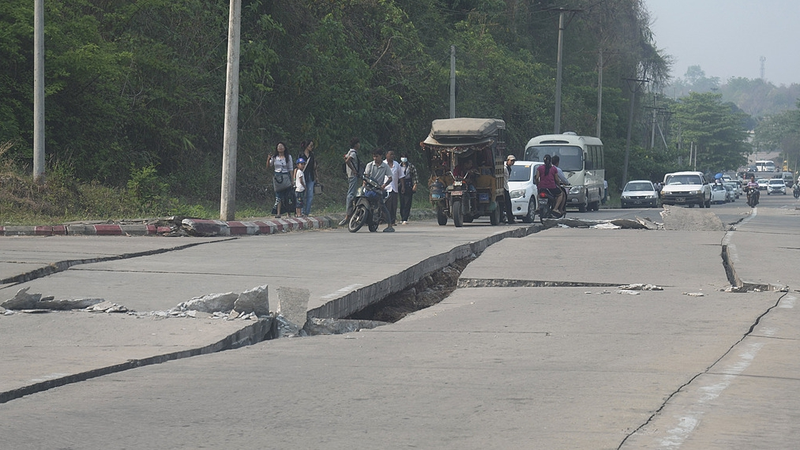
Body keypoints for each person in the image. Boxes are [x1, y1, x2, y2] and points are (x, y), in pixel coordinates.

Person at [363, 149, 395, 232]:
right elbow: (365, 176)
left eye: (376, 156)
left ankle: (390, 225)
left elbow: (390, 178)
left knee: (382, 206)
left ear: (381, 156)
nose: (375, 158)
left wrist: (384, 185)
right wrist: (364, 183)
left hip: (378, 189)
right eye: (374, 156)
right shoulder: (369, 165)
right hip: (368, 187)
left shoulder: (385, 166)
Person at [268, 142, 293, 219]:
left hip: (286, 175)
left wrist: (292, 180)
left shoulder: (288, 157)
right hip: (277, 176)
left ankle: (288, 213)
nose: (280, 148)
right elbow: (269, 165)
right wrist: (268, 158)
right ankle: (278, 213)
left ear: (284, 148)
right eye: (278, 146)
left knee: (287, 195)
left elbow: (291, 168)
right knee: (278, 196)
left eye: (282, 146)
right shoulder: (274, 157)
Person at [340, 138, 361, 226]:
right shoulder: (353, 153)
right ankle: (348, 214)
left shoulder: (349, 152)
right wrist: (354, 170)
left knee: (353, 193)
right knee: (351, 194)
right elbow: (347, 160)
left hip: (350, 175)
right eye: (358, 143)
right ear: (356, 144)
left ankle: (352, 212)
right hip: (353, 175)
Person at [300, 139, 319, 216]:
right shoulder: (301, 155)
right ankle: (301, 211)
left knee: (310, 195)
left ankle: (307, 212)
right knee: (302, 194)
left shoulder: (312, 155)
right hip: (302, 176)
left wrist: (317, 177)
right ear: (306, 146)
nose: (312, 147)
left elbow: (314, 167)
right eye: (310, 145)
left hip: (310, 176)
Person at [399, 154, 419, 224]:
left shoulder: (411, 166)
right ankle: (402, 217)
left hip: (408, 184)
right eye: (402, 157)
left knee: (407, 202)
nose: (403, 158)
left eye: (405, 157)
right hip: (400, 184)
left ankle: (405, 218)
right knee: (402, 202)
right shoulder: (399, 166)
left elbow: (415, 176)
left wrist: (415, 185)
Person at [384, 150, 401, 227]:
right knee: (385, 205)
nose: (392, 156)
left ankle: (392, 221)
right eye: (391, 154)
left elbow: (401, 176)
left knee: (393, 206)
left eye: (393, 154)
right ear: (386, 155)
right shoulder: (383, 164)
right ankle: (384, 220)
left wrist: (403, 186)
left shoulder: (396, 164)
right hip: (384, 188)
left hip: (394, 188)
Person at [503, 155, 516, 224]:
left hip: (506, 186)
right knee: (508, 204)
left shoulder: (509, 168)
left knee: (508, 204)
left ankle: (510, 219)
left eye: (513, 161)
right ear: (507, 160)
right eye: (511, 161)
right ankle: (510, 220)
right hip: (504, 187)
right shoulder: (504, 168)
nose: (512, 162)